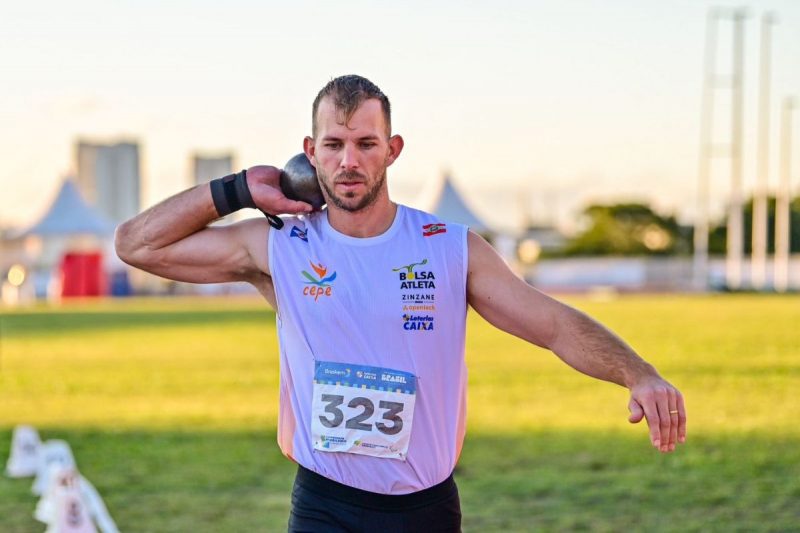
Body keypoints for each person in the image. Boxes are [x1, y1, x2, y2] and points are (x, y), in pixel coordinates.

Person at [115, 74, 687, 532]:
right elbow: (137, 244)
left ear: (392, 150)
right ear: (310, 153)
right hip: (323, 506)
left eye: (366, 144)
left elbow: (554, 325)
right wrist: (238, 189)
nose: (349, 162)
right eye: (334, 146)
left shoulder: (450, 248)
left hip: (424, 510)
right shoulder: (280, 248)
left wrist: (638, 374)